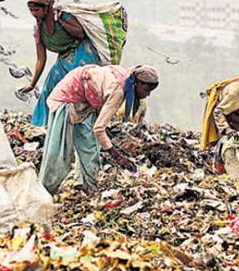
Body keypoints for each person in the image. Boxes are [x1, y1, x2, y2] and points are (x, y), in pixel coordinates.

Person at [39, 64, 159, 195]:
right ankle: (44, 192)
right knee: (59, 153)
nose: (147, 95)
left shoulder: (127, 78)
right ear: (137, 83)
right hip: (68, 96)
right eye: (147, 90)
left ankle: (87, 188)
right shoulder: (119, 91)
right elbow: (99, 129)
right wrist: (117, 157)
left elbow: (100, 91)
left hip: (86, 103)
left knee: (90, 147)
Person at [19, 0, 102, 127]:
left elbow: (80, 33)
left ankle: (86, 125)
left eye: (37, 10)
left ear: (46, 8)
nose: (34, 14)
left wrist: (60, 23)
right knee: (49, 89)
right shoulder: (39, 29)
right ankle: (43, 125)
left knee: (80, 89)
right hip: (64, 57)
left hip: (83, 53)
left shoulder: (63, 16)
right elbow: (41, 58)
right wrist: (32, 84)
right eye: (31, 11)